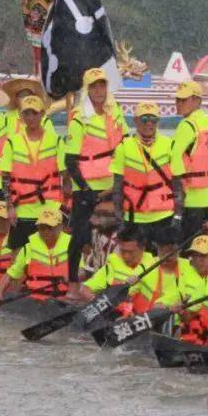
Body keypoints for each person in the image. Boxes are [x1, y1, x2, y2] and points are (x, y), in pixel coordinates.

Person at [65, 68, 128, 282]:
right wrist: (85, 189)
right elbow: (69, 161)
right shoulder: (79, 118)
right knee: (80, 235)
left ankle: (105, 277)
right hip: (86, 185)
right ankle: (73, 281)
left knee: (114, 232)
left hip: (112, 183)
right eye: (94, 86)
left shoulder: (115, 111)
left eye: (102, 85)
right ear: (87, 89)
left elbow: (127, 143)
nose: (99, 90)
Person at [0, 94, 63, 251]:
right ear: (21, 116)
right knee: (18, 257)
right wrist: (9, 207)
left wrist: (64, 208)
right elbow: (5, 177)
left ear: (42, 114)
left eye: (35, 113)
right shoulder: (12, 142)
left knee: (46, 256)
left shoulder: (56, 141)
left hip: (49, 208)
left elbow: (65, 176)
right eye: (27, 113)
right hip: (21, 209)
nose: (31, 117)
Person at [111, 101, 176, 251]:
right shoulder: (123, 147)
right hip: (134, 218)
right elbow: (117, 188)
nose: (149, 124)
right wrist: (119, 220)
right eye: (144, 119)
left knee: (161, 263)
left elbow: (178, 184)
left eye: (154, 119)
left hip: (164, 217)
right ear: (135, 120)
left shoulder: (170, 145)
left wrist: (178, 216)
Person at [170, 80, 208, 240]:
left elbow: (174, 158)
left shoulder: (187, 125)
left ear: (197, 100)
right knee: (206, 247)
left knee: (188, 252)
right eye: (177, 99)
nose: (179, 103)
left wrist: (177, 188)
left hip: (191, 200)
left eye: (184, 100)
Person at [0, 208, 71, 307]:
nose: (46, 231)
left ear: (60, 227)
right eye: (42, 228)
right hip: (35, 303)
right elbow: (10, 275)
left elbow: (82, 271)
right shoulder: (28, 248)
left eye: (50, 227)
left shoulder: (71, 245)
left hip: (63, 303)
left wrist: (73, 275)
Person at [158, 235, 208, 344]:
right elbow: (172, 295)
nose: (198, 260)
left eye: (203, 256)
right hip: (187, 327)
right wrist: (160, 304)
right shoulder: (185, 275)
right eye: (195, 256)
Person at [72, 231, 155, 308]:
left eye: (131, 252)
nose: (126, 256)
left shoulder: (155, 266)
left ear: (143, 248)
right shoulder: (114, 262)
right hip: (113, 316)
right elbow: (85, 289)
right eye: (123, 251)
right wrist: (103, 307)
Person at [131, 230, 192, 314]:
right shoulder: (145, 267)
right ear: (156, 247)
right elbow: (128, 294)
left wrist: (164, 303)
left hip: (176, 322)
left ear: (180, 249)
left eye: (171, 250)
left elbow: (192, 291)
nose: (166, 255)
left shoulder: (189, 267)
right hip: (143, 319)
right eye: (162, 250)